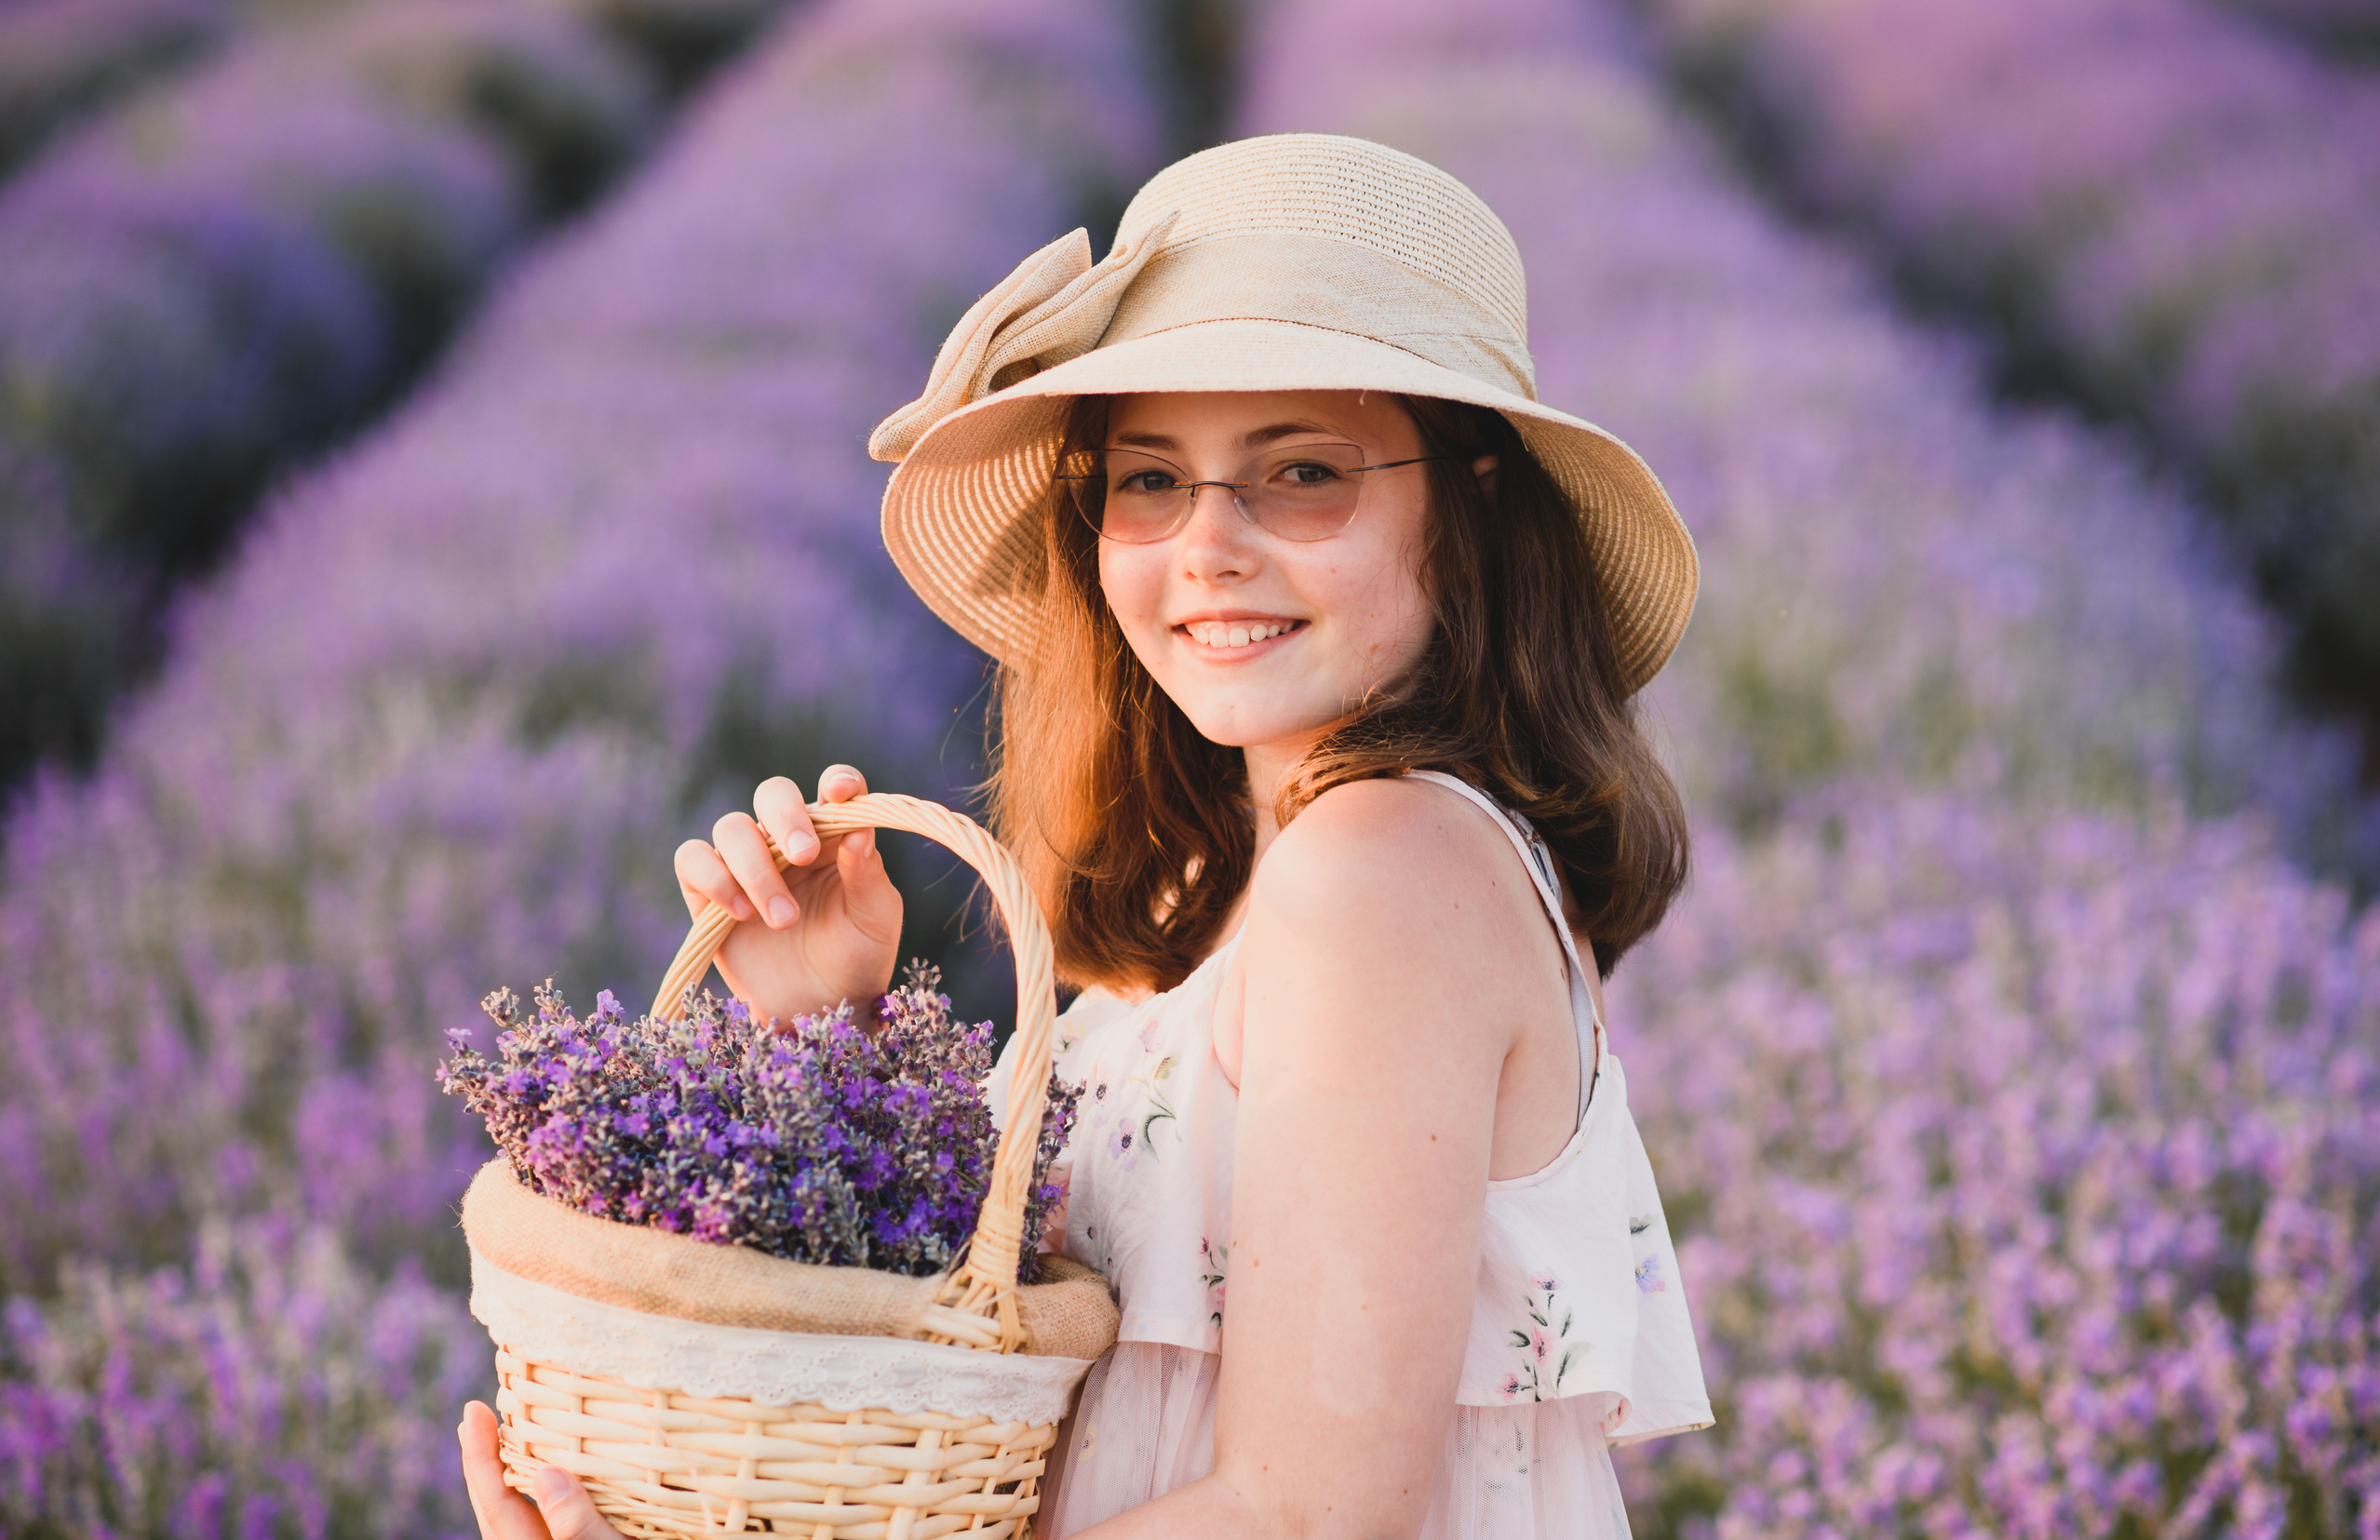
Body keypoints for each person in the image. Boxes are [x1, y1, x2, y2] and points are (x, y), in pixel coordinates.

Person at [460, 132, 1712, 1540]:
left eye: (1303, 471)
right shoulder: (1217, 878)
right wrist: (835, 1035)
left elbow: (1307, 1515)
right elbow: (1025, 1330)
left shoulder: (1380, 869)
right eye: (1149, 479)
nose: (1208, 547)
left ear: (1472, 500)